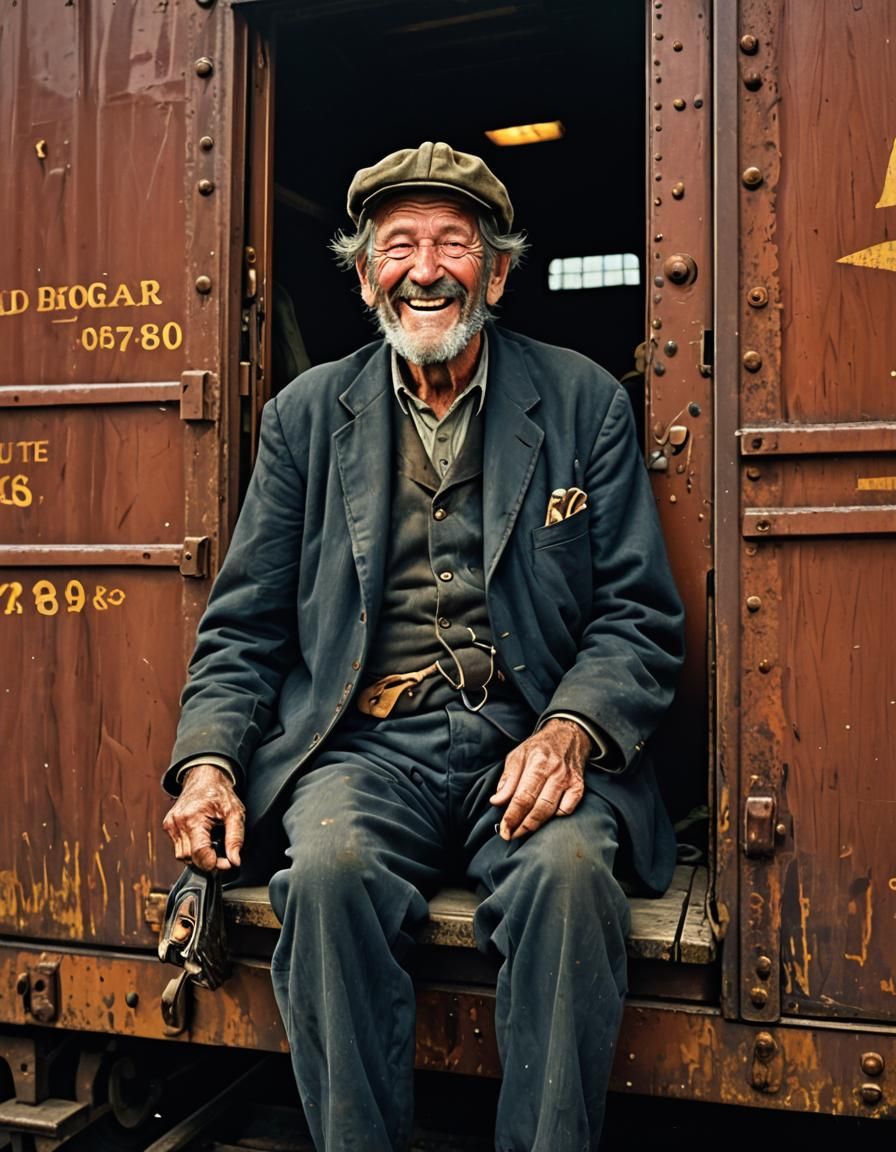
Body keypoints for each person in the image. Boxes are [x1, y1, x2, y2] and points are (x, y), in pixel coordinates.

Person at [162, 141, 685, 1152]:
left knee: (572, 880)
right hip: (364, 753)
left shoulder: (583, 401)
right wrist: (210, 762)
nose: (426, 267)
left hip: (525, 740)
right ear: (364, 277)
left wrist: (572, 730)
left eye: (454, 242)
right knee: (323, 870)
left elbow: (636, 614)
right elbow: (244, 623)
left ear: (495, 270)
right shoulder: (305, 417)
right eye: (397, 245)